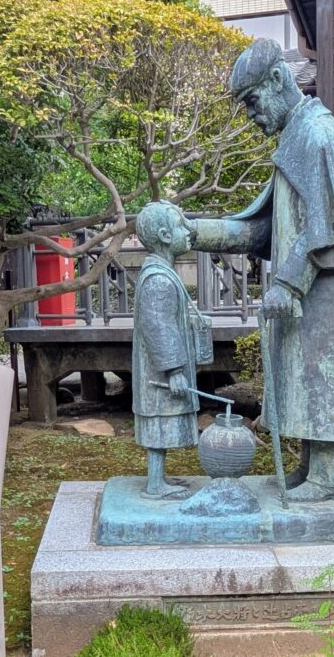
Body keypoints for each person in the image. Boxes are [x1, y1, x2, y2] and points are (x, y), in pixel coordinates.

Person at [192, 38, 334, 502]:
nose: (251, 115)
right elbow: (263, 228)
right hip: (309, 286)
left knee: (322, 373)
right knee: (307, 375)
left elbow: (330, 224)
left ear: (277, 80)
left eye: (252, 100)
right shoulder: (296, 136)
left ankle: (331, 475)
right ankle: (313, 465)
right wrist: (193, 232)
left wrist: (289, 282)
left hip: (327, 285)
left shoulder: (321, 134)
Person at [131, 200, 211, 499]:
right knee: (158, 424)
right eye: (181, 226)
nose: (189, 231)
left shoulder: (162, 273)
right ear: (165, 235)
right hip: (159, 372)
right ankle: (155, 484)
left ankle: (158, 478)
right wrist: (175, 370)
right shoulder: (159, 280)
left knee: (161, 424)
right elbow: (158, 326)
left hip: (157, 368)